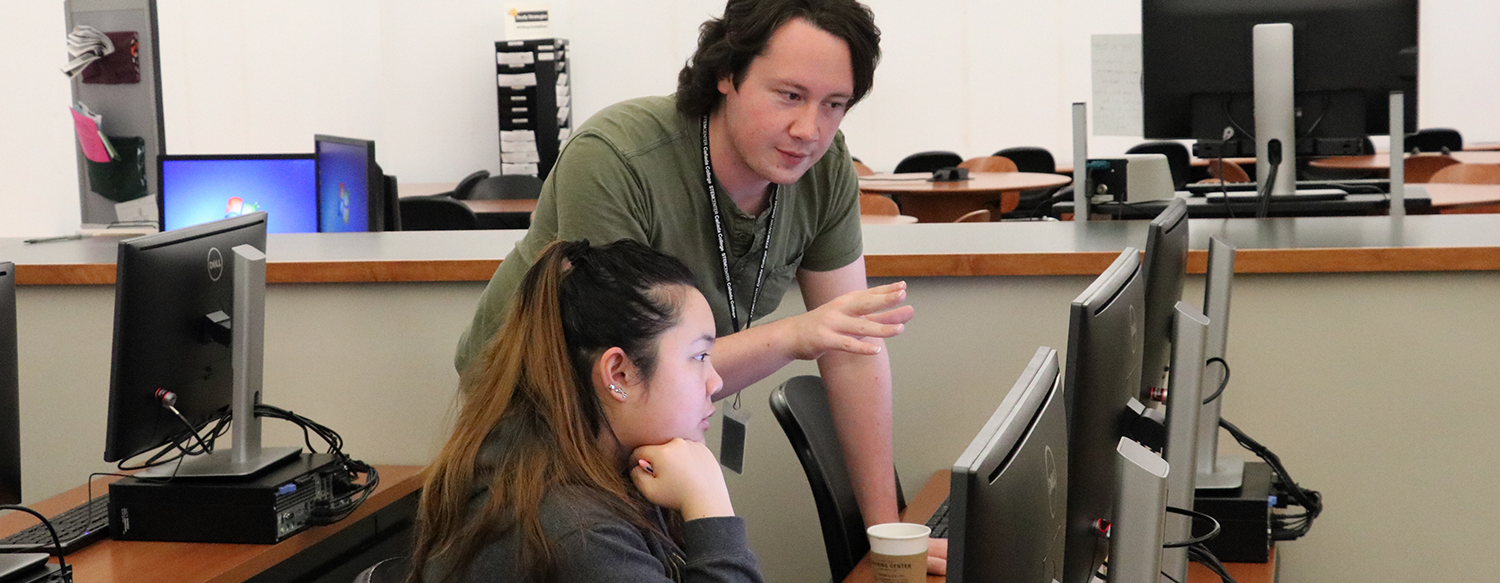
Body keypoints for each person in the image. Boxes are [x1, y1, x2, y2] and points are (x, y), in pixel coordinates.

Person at [455, 0, 946, 572]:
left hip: (650, 418)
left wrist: (888, 540)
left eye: (834, 105)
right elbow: (612, 379)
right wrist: (794, 336)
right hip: (545, 436)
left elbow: (853, 347)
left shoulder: (823, 167)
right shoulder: (617, 158)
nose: (809, 129)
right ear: (726, 74)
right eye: (789, 95)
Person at [414, 239, 760, 583]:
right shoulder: (579, 537)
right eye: (700, 357)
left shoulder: (593, 467)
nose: (714, 382)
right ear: (619, 374)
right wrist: (710, 507)